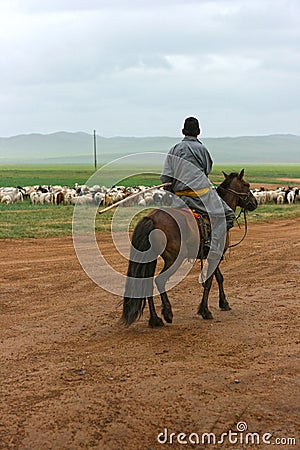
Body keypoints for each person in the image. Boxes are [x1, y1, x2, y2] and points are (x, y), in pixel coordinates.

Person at [160, 116, 235, 259]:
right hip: (201, 196)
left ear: (183, 131)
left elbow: (166, 177)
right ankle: (212, 244)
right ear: (198, 132)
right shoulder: (202, 149)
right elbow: (207, 170)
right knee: (228, 215)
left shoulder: (174, 149)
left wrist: (172, 194)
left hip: (179, 197)